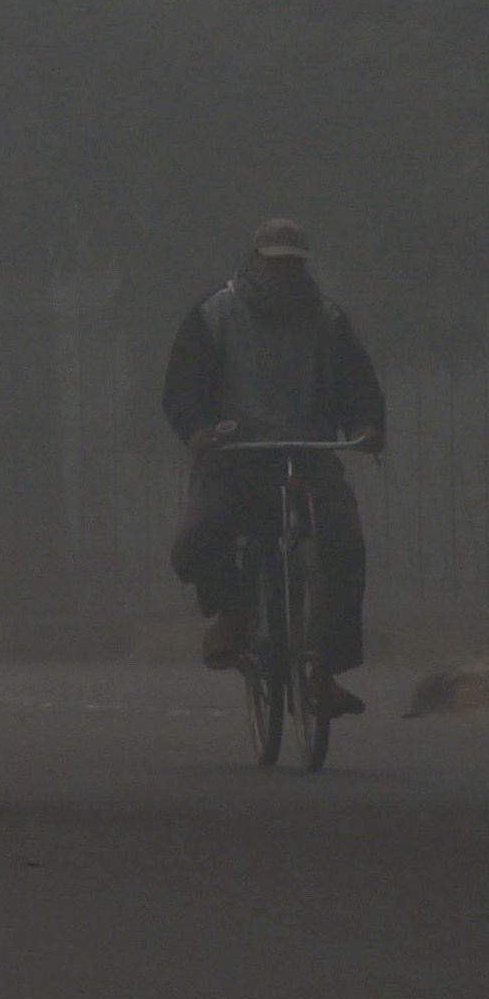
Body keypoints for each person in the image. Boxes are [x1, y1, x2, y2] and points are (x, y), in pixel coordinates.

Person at [165, 218, 385, 712]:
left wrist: (367, 426)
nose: (284, 273)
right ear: (256, 260)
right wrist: (197, 428)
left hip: (309, 454)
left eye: (293, 264)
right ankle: (231, 612)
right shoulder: (216, 314)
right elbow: (183, 384)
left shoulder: (327, 319)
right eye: (276, 262)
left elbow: (358, 384)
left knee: (344, 547)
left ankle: (323, 671)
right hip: (238, 457)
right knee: (195, 544)